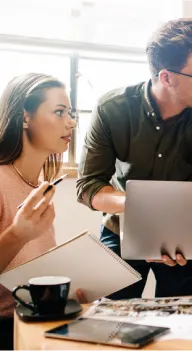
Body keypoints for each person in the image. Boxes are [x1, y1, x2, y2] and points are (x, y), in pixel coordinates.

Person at [76, 18, 192, 299]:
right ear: (166, 77)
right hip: (121, 228)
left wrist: (166, 232)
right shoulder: (111, 109)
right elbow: (88, 187)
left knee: (182, 327)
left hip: (182, 239)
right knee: (110, 322)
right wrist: (141, 210)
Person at [0, 73, 79, 349]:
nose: (71, 122)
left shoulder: (40, 187)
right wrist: (18, 234)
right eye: (59, 112)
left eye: (70, 113)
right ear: (25, 117)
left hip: (40, 323)